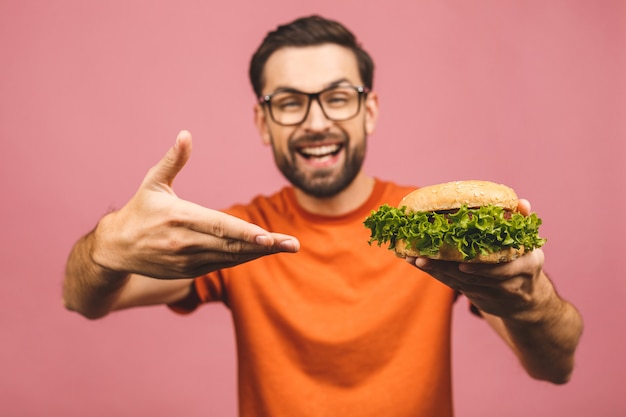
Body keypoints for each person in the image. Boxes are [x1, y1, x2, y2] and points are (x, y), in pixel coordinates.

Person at [63, 15, 583, 417]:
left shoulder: (430, 233)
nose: (316, 122)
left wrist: (531, 301)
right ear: (263, 121)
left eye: (337, 97)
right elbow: (83, 301)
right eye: (290, 102)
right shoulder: (239, 235)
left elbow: (555, 365)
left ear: (369, 110)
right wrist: (105, 246)